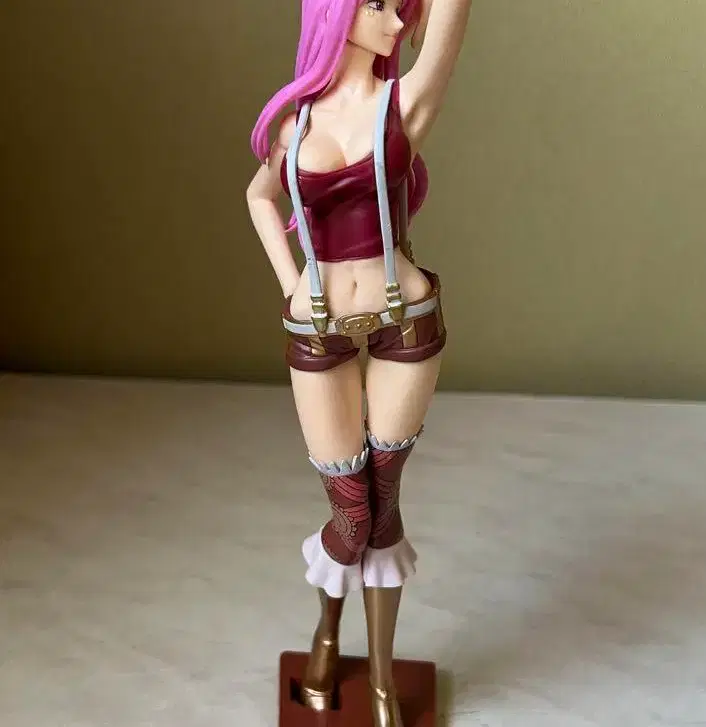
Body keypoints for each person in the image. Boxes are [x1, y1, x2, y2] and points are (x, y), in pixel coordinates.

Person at [246, 1, 471, 724]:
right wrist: (291, 283)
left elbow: (446, 31)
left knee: (383, 503)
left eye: (401, 8)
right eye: (378, 5)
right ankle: (324, 635)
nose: (396, 22)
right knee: (351, 514)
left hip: (405, 318)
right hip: (318, 329)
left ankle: (378, 680)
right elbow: (259, 195)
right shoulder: (297, 123)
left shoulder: (400, 107)